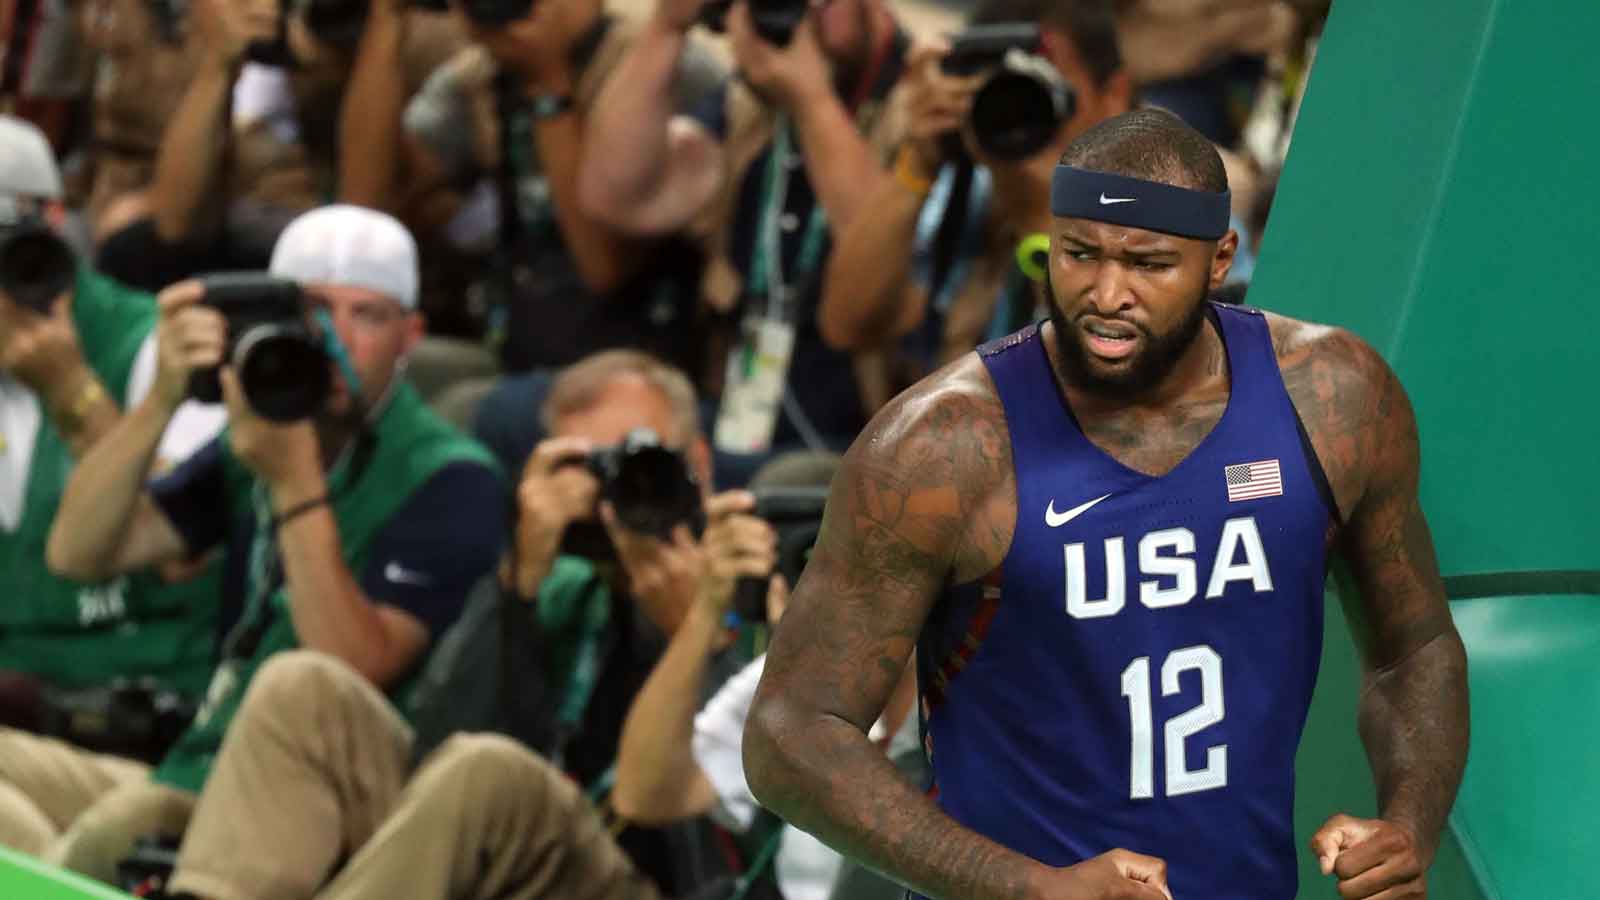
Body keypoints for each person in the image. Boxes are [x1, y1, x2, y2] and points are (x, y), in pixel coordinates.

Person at [744, 109, 1470, 900]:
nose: (1106, 294)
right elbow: (791, 735)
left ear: (1220, 257)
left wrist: (1409, 825)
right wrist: (1027, 887)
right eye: (1079, 254)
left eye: (1149, 264)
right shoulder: (943, 447)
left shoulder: (1334, 399)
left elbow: (1416, 647)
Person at [139, 349, 777, 899]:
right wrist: (517, 584)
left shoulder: (754, 592)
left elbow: (733, 820)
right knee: (302, 686)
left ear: (698, 460)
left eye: (648, 464)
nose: (619, 498)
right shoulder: (556, 590)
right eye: (595, 469)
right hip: (513, 848)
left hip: (647, 881)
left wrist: (700, 637)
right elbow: (438, 746)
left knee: (487, 771)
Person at [4, 204, 504, 885]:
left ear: (410, 336)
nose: (335, 339)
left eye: (367, 316)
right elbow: (81, 552)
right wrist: (162, 403)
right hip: (196, 762)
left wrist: (296, 482)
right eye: (314, 310)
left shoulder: (453, 478)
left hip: (319, 797)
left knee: (111, 834)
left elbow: (350, 667)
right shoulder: (255, 437)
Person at [580, 0, 913, 469]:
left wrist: (811, 101)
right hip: (730, 414)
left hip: (864, 446)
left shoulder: (923, 102)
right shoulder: (750, 101)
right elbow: (617, 198)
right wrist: (667, 28)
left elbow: (882, 275)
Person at [0, 114, 223, 752]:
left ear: (45, 233)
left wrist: (72, 391)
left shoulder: (165, 345)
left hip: (137, 700)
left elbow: (185, 553)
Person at [820, 0, 1133, 375]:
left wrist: (1042, 221)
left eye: (1043, 88)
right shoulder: (966, 195)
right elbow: (846, 325)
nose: (1023, 111)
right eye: (1006, 91)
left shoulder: (1167, 217)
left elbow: (1108, 375)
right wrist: (918, 162)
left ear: (1115, 94)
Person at [92, 0, 463, 292]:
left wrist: (379, 33)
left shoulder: (423, 31)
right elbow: (175, 224)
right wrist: (219, 64)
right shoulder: (194, 21)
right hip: (229, 230)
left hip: (336, 247)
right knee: (130, 248)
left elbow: (361, 225)